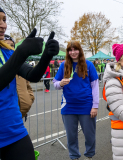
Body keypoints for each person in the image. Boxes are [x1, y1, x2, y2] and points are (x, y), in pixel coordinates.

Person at [0, 7, 59, 160]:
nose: (3, 25)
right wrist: (21, 52)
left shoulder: (6, 52)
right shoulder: (14, 53)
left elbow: (32, 75)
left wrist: (46, 55)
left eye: (4, 20)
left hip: (13, 130)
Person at [53, 41, 99, 160]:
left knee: (89, 135)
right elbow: (55, 83)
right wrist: (61, 83)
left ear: (80, 50)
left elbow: (95, 86)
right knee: (71, 136)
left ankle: (89, 155)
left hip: (87, 105)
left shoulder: (89, 65)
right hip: (68, 106)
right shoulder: (64, 65)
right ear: (68, 52)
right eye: (70, 50)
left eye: (75, 49)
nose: (73, 52)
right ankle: (74, 156)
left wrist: (95, 106)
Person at [4, 34, 35, 119]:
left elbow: (28, 86)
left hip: (21, 114)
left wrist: (29, 100)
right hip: (6, 116)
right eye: (6, 45)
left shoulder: (20, 66)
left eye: (12, 45)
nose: (10, 48)